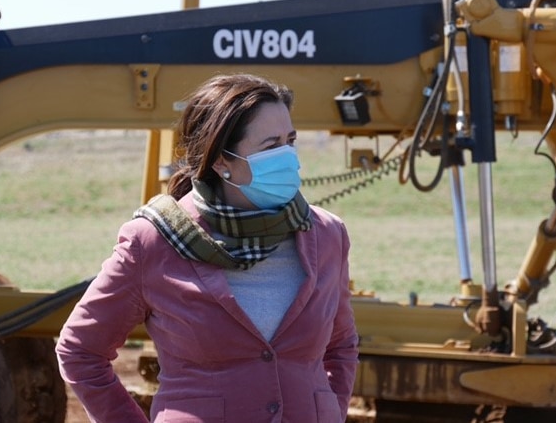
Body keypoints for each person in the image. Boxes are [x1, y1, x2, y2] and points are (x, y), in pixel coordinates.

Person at [55, 73, 359, 422]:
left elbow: (342, 345)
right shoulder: (153, 241)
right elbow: (81, 350)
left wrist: (329, 411)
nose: (288, 157)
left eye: (290, 141)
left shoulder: (327, 235)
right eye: (271, 145)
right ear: (221, 161)